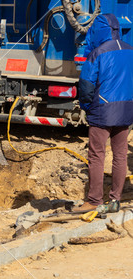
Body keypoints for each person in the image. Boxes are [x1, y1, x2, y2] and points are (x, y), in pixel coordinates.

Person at [75, 14, 133, 212]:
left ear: (99, 31)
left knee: (97, 155)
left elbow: (86, 85)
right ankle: (115, 200)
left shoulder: (98, 53)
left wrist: (85, 106)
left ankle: (94, 200)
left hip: (102, 111)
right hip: (125, 111)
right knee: (120, 156)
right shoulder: (130, 50)